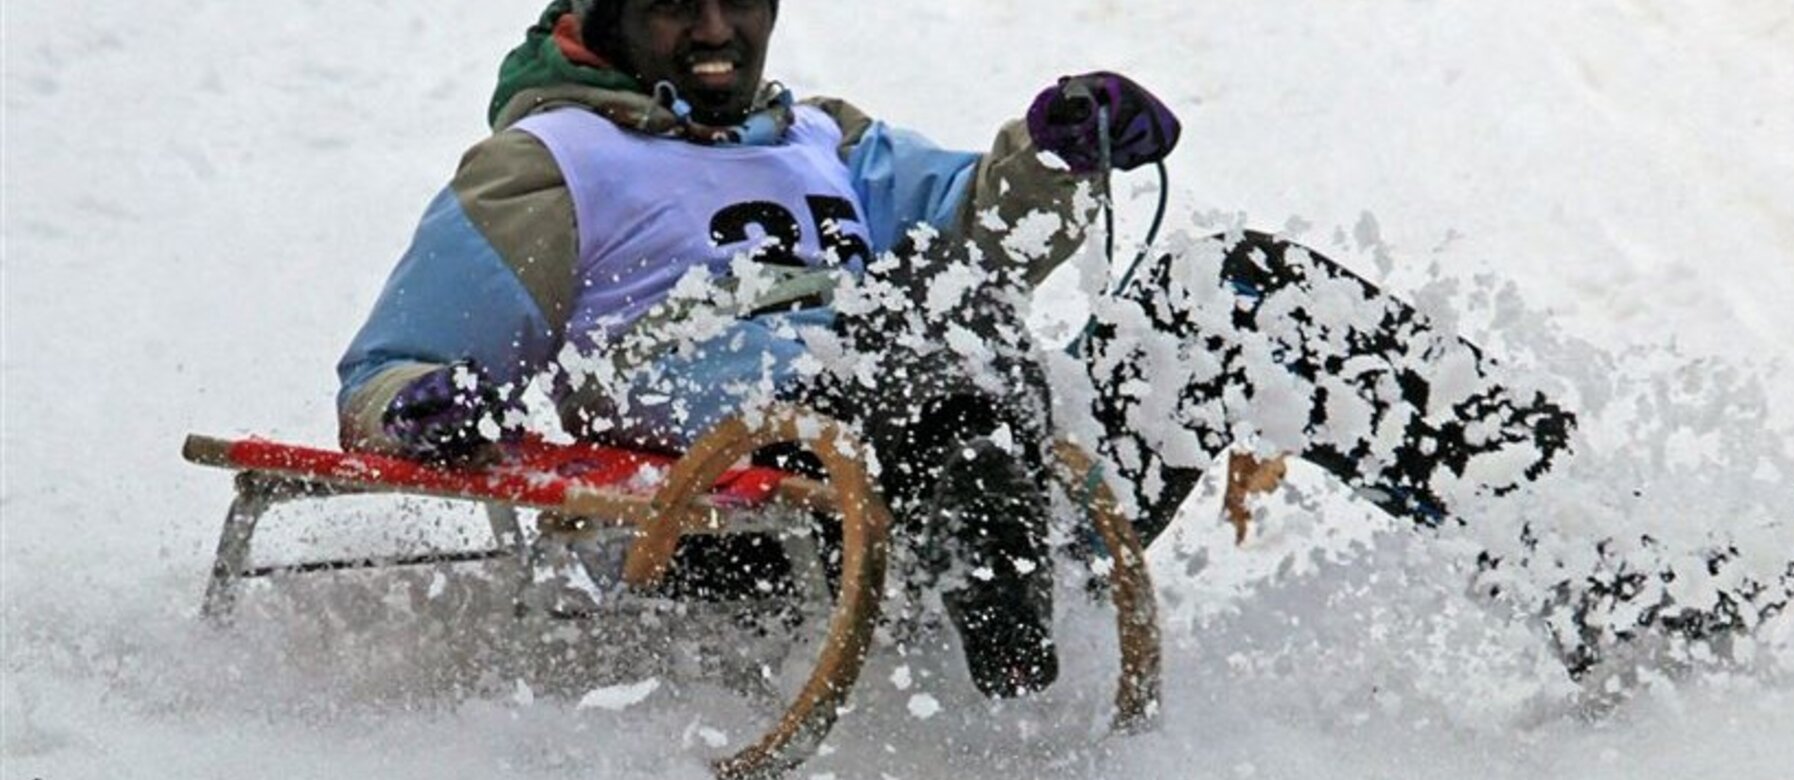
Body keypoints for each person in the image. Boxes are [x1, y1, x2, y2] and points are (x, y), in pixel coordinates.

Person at [335, 0, 1180, 699]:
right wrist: (417, 406)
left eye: (738, 1)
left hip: (941, 439)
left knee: (1215, 295)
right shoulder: (553, 164)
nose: (713, 29)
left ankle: (1052, 582)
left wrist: (1055, 155)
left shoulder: (822, 138)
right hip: (731, 511)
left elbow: (975, 231)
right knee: (911, 347)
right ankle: (1015, 664)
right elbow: (391, 367)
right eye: (674, 5)